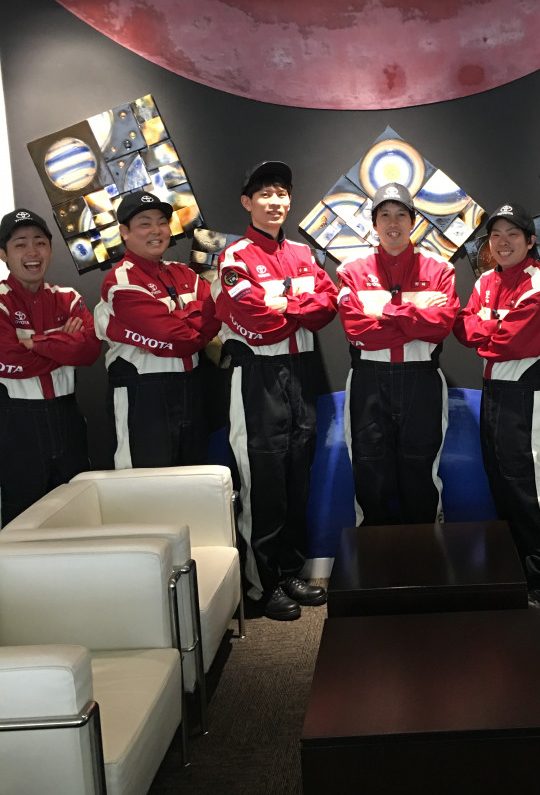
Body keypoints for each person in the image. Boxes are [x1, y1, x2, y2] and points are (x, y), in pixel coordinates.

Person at [214, 160, 337, 621]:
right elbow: (255, 320)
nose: (275, 201)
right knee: (262, 482)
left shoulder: (304, 253)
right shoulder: (234, 258)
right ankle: (262, 583)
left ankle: (290, 571)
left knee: (296, 477)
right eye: (265, 193)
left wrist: (283, 303)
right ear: (247, 202)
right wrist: (297, 306)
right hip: (258, 377)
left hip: (301, 374)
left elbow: (328, 307)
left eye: (281, 192)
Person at [454, 202, 540, 615]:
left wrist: (487, 331)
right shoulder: (487, 280)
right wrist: (493, 329)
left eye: (512, 235)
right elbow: (463, 328)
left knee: (531, 491)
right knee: (503, 488)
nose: (503, 243)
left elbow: (512, 343)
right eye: (496, 236)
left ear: (530, 240)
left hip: (528, 395)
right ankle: (521, 573)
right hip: (493, 394)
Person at [337, 181, 459, 526]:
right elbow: (357, 331)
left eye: (401, 215)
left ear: (413, 221)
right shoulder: (350, 269)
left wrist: (383, 311)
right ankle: (372, 556)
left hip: (422, 380)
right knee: (369, 473)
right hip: (368, 382)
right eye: (385, 215)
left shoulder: (440, 268)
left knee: (421, 474)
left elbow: (440, 326)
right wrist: (417, 312)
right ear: (374, 224)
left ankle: (427, 554)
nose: (393, 223)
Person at [95, 190, 220, 469]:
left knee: (193, 479)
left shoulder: (183, 272)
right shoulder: (120, 281)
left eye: (162, 222)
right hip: (143, 393)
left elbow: (219, 308)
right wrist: (193, 316)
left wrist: (181, 318)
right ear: (124, 232)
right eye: (145, 223)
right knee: (145, 484)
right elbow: (176, 337)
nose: (157, 230)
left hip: (190, 388)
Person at [0, 206, 100, 525]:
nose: (32, 251)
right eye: (20, 244)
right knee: (21, 519)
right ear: (3, 254)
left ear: (51, 250)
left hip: (66, 416)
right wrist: (62, 342)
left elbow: (89, 350)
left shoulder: (68, 297)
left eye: (40, 242)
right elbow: (8, 357)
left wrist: (34, 341)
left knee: (77, 512)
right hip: (17, 422)